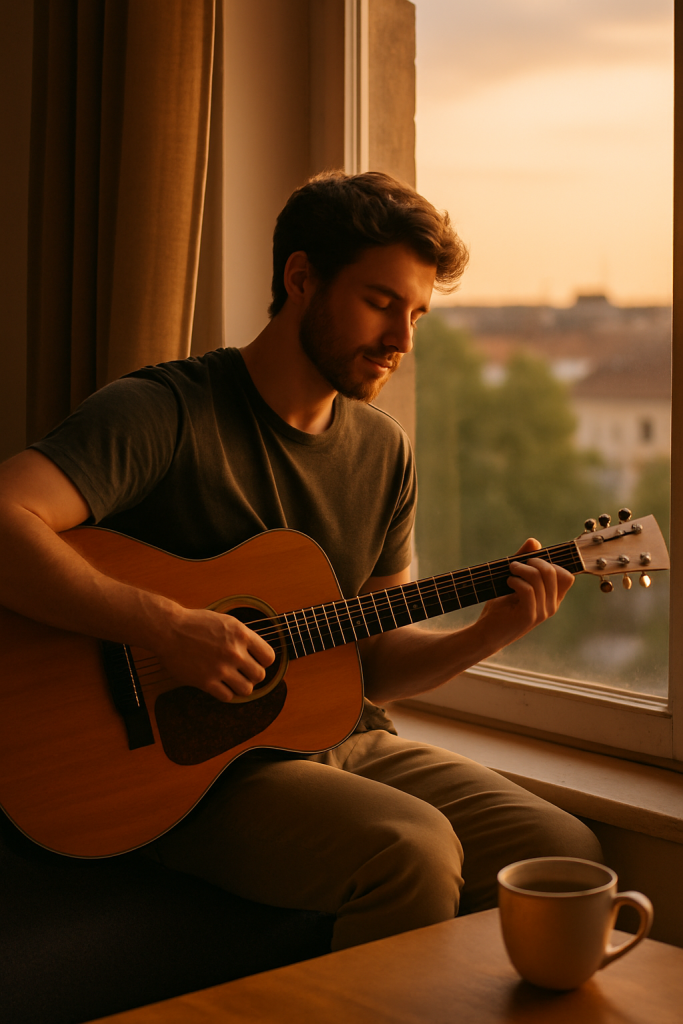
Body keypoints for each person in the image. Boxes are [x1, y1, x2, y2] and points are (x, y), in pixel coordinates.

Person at [0, 171, 601, 951]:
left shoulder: (385, 453)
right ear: (300, 278)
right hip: (184, 770)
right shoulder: (163, 412)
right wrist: (170, 625)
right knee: (411, 849)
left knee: (563, 854)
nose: (402, 340)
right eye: (382, 302)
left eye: (416, 313)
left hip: (341, 739)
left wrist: (489, 632)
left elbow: (371, 665)